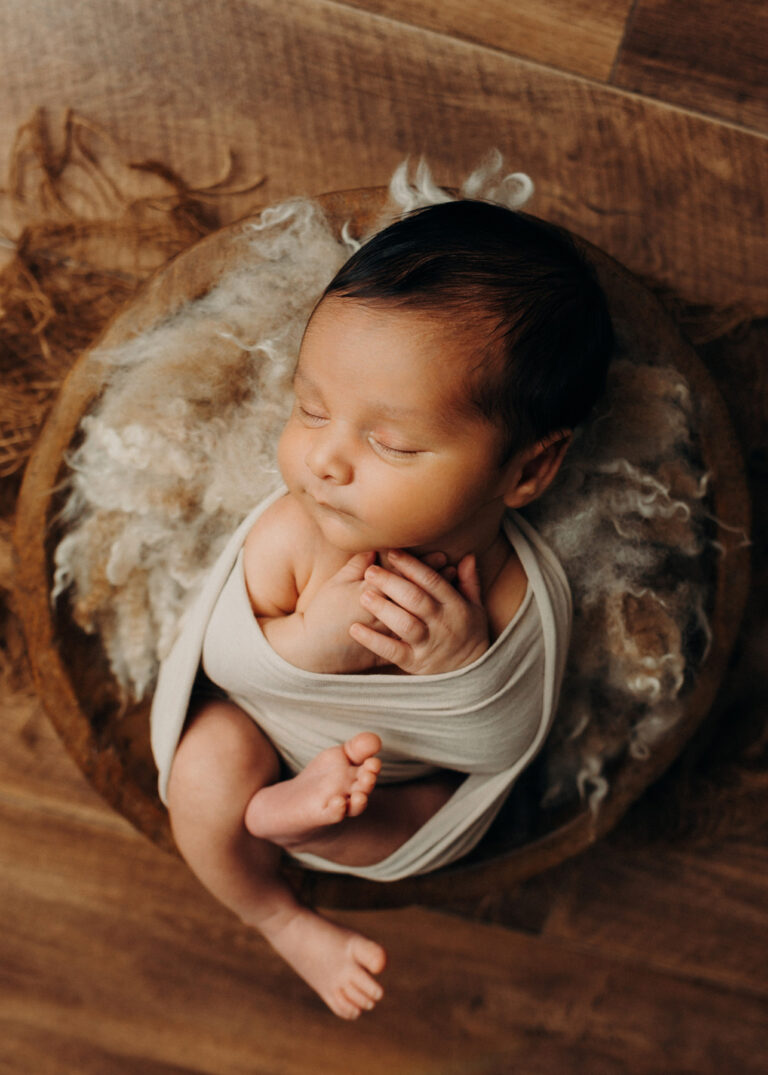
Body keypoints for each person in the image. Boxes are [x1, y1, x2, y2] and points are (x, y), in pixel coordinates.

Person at [150, 199, 614, 1019]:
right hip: (263, 728)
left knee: (422, 814)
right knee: (207, 759)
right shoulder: (297, 536)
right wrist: (305, 646)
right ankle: (275, 913)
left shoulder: (506, 590)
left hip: (408, 779)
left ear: (529, 469)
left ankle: (312, 827)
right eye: (310, 409)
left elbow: (504, 741)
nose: (324, 459)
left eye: (391, 444)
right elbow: (220, 657)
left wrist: (462, 664)